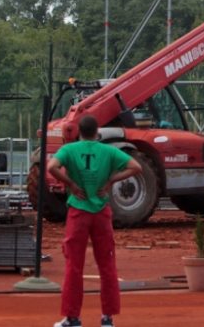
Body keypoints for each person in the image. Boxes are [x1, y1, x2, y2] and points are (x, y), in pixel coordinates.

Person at [48, 115, 142, 327]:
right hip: (101, 211)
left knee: (74, 265)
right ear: (97, 131)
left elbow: (51, 167)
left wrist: (71, 184)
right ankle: (107, 318)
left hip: (78, 211)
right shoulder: (108, 151)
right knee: (107, 265)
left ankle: (73, 318)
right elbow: (136, 167)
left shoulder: (70, 150)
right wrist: (110, 181)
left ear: (79, 131)